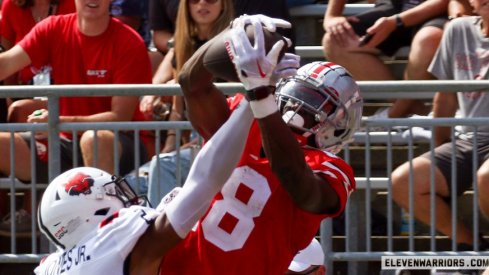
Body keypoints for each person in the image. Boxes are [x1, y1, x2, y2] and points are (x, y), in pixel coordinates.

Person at [158, 15, 362, 273]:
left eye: (315, 102)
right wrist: (234, 33)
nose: (299, 106)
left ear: (339, 124)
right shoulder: (246, 117)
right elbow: (191, 82)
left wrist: (259, 95)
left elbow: (293, 176)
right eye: (299, 94)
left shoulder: (331, 168)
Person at [34, 97, 255, 274]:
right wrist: (252, 99)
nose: (127, 198)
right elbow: (204, 183)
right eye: (115, 192)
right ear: (93, 211)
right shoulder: (111, 239)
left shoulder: (52, 265)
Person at [0, 0, 152, 183]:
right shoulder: (53, 28)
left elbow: (119, 117)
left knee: (94, 139)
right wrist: (58, 124)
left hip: (120, 142)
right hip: (65, 141)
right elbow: (6, 64)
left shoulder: (129, 42)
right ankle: (32, 211)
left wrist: (58, 121)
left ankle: (103, 210)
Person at [391, 0, 489, 251]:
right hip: (468, 140)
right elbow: (445, 95)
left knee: (487, 176)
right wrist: (440, 149)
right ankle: (470, 248)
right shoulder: (458, 29)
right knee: (404, 181)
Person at [322, 0, 448, 118]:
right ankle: (413, 111)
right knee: (335, 40)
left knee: (428, 39)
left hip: (436, 13)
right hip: (391, 11)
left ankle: (394, 115)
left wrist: (397, 21)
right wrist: (332, 15)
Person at [1, 0, 76, 123]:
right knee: (15, 110)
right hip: (25, 89)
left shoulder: (73, 4)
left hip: (63, 91)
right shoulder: (11, 5)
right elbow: (7, 60)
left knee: (20, 110)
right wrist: (10, 97)